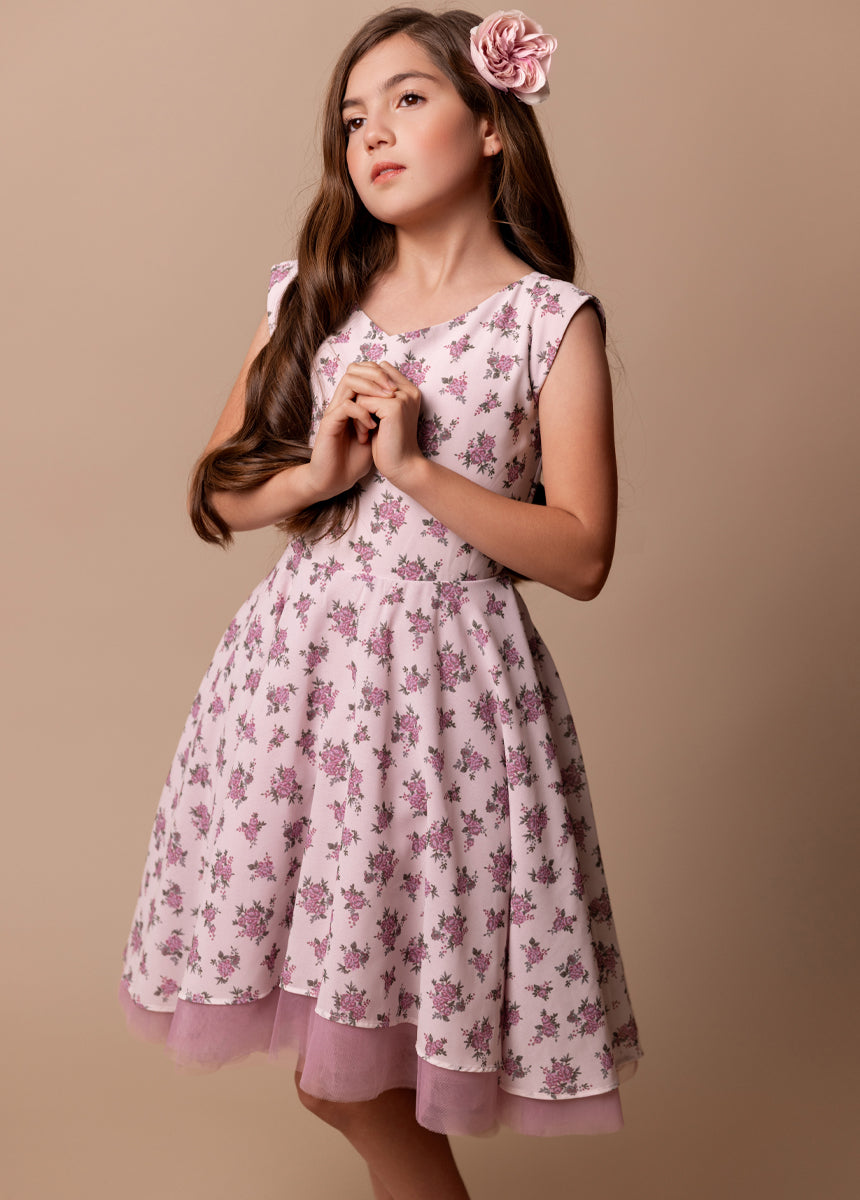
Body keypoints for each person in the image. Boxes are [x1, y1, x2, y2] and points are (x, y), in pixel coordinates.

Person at [118, 7, 644, 1198]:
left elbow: (580, 555)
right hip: (300, 692)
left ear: (492, 123)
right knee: (341, 1066)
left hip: (446, 709)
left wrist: (415, 471)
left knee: (360, 1069)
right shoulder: (311, 294)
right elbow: (218, 491)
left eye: (407, 100)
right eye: (353, 117)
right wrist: (317, 476)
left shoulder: (546, 321)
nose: (372, 134)